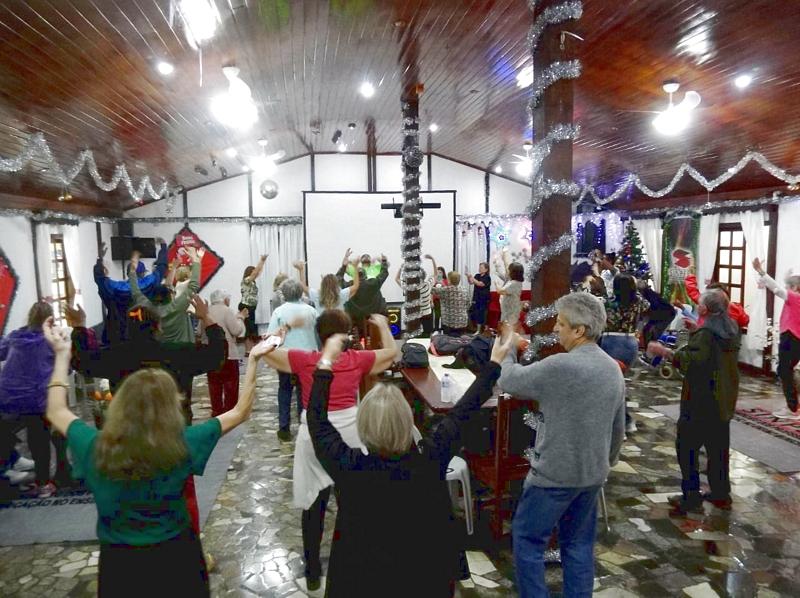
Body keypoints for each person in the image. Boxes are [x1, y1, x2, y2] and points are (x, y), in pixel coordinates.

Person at [42, 315, 272, 597]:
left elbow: (56, 410)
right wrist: (254, 359)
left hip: (119, 565)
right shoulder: (183, 443)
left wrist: (62, 354)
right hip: (178, 559)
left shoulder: (94, 445)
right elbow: (240, 412)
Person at [306, 326, 514, 598]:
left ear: (364, 425)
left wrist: (326, 361)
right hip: (424, 578)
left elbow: (317, 420)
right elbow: (465, 409)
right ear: (406, 421)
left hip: (361, 579)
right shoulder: (430, 457)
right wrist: (494, 363)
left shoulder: (348, 465)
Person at [497, 292, 625, 598]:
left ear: (579, 331)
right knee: (578, 545)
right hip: (592, 476)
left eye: (561, 323)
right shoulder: (612, 369)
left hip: (553, 476)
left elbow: (509, 380)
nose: (555, 328)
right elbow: (617, 429)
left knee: (527, 542)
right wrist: (605, 463)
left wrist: (510, 346)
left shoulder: (559, 367)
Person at [259, 310, 397, 591]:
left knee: (314, 506)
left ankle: (312, 572)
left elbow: (264, 351)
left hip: (314, 435)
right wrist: (383, 326)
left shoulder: (304, 360)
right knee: (352, 504)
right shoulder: (357, 360)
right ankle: (354, 563)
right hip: (350, 435)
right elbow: (391, 354)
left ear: (317, 335)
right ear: (345, 336)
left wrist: (284, 330)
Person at [650, 289, 741, 513]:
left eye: (699, 303)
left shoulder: (706, 334)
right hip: (723, 398)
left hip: (702, 400)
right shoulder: (731, 327)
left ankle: (691, 498)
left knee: (687, 448)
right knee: (718, 450)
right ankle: (721, 494)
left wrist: (665, 352)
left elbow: (693, 361)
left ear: (704, 309)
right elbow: (713, 350)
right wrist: (698, 330)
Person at [0, 302, 72, 497]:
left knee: (5, 431)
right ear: (51, 319)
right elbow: (67, 368)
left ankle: (11, 462)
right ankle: (43, 483)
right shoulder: (51, 340)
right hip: (37, 400)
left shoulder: (14, 337)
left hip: (7, 398)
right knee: (39, 438)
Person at [130, 247, 201, 422]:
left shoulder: (149, 309)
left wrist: (132, 272)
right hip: (183, 353)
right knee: (184, 393)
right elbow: (193, 285)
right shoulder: (177, 306)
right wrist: (196, 261)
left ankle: (163, 421)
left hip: (160, 354)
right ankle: (185, 422)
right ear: (170, 296)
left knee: (162, 393)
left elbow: (136, 293)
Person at [267, 279, 319, 440]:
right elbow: (318, 333)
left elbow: (272, 334)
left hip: (286, 357)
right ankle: (304, 425)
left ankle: (284, 427)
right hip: (307, 356)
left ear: (284, 294)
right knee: (305, 392)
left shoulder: (279, 312)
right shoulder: (311, 311)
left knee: (284, 390)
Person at [94, 239, 168, 345]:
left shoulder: (115, 287)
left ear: (128, 273)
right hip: (147, 332)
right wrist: (163, 246)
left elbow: (99, 278)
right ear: (143, 273)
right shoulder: (150, 282)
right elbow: (161, 267)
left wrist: (99, 258)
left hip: (118, 336)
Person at [601, 272, 650, 433]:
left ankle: (622, 423)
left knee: (612, 384)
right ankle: (624, 421)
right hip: (630, 343)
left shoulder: (608, 303)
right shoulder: (638, 302)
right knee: (618, 382)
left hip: (611, 341)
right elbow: (648, 306)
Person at [753, 258, 800, 420]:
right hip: (796, 339)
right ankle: (793, 406)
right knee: (786, 370)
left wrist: (761, 271)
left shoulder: (795, 297)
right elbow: (781, 288)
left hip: (790, 337)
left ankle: (793, 409)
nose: (786, 289)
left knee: (784, 371)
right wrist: (786, 277)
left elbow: (776, 289)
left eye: (789, 286)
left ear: (794, 288)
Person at [197, 290, 248, 417]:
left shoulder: (206, 311)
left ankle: (217, 411)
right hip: (228, 353)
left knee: (214, 385)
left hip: (210, 353)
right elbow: (237, 331)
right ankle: (230, 413)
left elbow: (198, 332)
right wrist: (240, 318)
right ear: (225, 299)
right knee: (230, 385)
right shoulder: (227, 310)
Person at [337, 251, 389, 341]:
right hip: (373, 319)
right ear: (365, 276)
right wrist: (383, 261)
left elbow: (338, 278)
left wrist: (343, 266)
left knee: (356, 340)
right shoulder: (373, 284)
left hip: (355, 321)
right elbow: (384, 273)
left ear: (355, 276)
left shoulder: (350, 286)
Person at [684, 271, 750, 329]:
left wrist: (690, 276)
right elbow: (745, 321)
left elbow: (692, 292)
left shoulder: (707, 302)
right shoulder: (735, 309)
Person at [295, 259, 360, 315]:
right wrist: (355, 267)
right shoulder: (341, 295)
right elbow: (356, 286)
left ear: (322, 284)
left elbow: (303, 287)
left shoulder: (317, 295)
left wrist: (301, 270)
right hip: (339, 324)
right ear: (336, 284)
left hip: (322, 324)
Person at [428, 265, 470, 335]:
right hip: (462, 321)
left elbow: (429, 289)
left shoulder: (446, 290)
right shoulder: (464, 290)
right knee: (459, 339)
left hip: (449, 322)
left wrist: (433, 278)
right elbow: (468, 305)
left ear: (449, 280)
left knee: (449, 339)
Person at [396, 258, 433, 336]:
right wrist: (433, 260)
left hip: (414, 314)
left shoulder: (409, 287)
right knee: (427, 334)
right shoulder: (427, 285)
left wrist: (401, 267)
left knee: (414, 335)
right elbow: (436, 275)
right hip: (427, 313)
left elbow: (397, 279)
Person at [241, 254, 268, 355]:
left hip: (251, 307)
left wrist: (262, 264)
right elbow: (256, 272)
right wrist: (261, 260)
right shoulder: (246, 281)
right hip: (246, 306)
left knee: (252, 328)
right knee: (249, 328)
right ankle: (248, 350)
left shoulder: (251, 282)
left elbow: (258, 272)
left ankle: (251, 348)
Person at [494, 250, 525, 325]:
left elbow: (500, 291)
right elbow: (507, 266)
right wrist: (504, 255)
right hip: (507, 310)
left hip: (511, 312)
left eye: (509, 270)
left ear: (513, 272)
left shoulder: (514, 283)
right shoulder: (512, 280)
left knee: (508, 328)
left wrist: (496, 283)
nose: (508, 271)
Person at [466, 262, 491, 333]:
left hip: (483, 299)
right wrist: (468, 277)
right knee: (473, 312)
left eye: (481, 267)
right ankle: (474, 329)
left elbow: (480, 284)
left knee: (481, 314)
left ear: (486, 269)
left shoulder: (487, 277)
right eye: (479, 267)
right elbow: (471, 282)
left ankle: (480, 330)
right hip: (476, 297)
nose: (479, 269)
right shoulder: (477, 275)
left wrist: (471, 277)